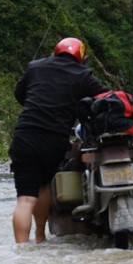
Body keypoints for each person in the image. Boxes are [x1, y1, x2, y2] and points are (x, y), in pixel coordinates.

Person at [10, 37, 107, 244]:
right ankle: (40, 236)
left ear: (55, 52)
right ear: (82, 58)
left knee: (25, 198)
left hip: (25, 135)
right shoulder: (83, 74)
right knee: (45, 187)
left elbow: (20, 95)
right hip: (54, 139)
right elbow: (105, 98)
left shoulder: (35, 67)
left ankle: (21, 249)